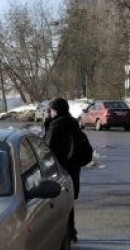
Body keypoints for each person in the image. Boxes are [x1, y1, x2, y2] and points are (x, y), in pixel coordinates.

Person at [44, 97, 82, 241]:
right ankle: (71, 230)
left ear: (56, 110)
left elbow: (46, 147)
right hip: (74, 166)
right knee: (70, 198)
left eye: (52, 110)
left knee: (57, 200)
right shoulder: (73, 122)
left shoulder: (55, 125)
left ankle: (63, 232)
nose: (51, 113)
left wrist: (47, 123)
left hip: (59, 167)